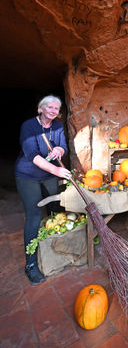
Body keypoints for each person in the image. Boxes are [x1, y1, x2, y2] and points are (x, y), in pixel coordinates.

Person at [15, 95, 72, 286]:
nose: (53, 111)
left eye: (57, 108)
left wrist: (59, 150)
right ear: (40, 109)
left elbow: (63, 145)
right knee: (34, 215)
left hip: (48, 176)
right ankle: (30, 264)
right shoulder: (28, 126)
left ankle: (56, 250)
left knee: (56, 209)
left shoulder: (56, 126)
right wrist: (56, 170)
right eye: (50, 107)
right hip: (28, 175)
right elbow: (32, 155)